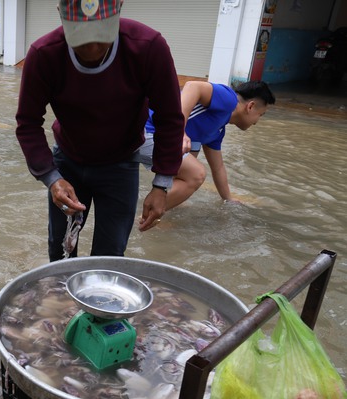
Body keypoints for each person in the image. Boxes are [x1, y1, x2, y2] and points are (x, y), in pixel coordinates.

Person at [15, 0, 184, 261]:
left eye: (101, 35)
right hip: (67, 161)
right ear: (61, 16)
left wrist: (161, 185)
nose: (92, 48)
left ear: (119, 11)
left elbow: (170, 119)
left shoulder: (148, 47)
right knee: (61, 250)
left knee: (111, 254)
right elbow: (27, 122)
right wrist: (51, 178)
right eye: (81, 38)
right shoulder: (44, 54)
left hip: (121, 163)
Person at [140, 80, 276, 210]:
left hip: (155, 138)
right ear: (250, 106)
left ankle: (154, 215)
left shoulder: (217, 131)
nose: (257, 122)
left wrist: (228, 199)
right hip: (145, 129)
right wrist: (179, 131)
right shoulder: (229, 100)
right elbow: (193, 86)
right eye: (260, 115)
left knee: (187, 176)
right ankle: (147, 217)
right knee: (196, 174)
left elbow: (218, 168)